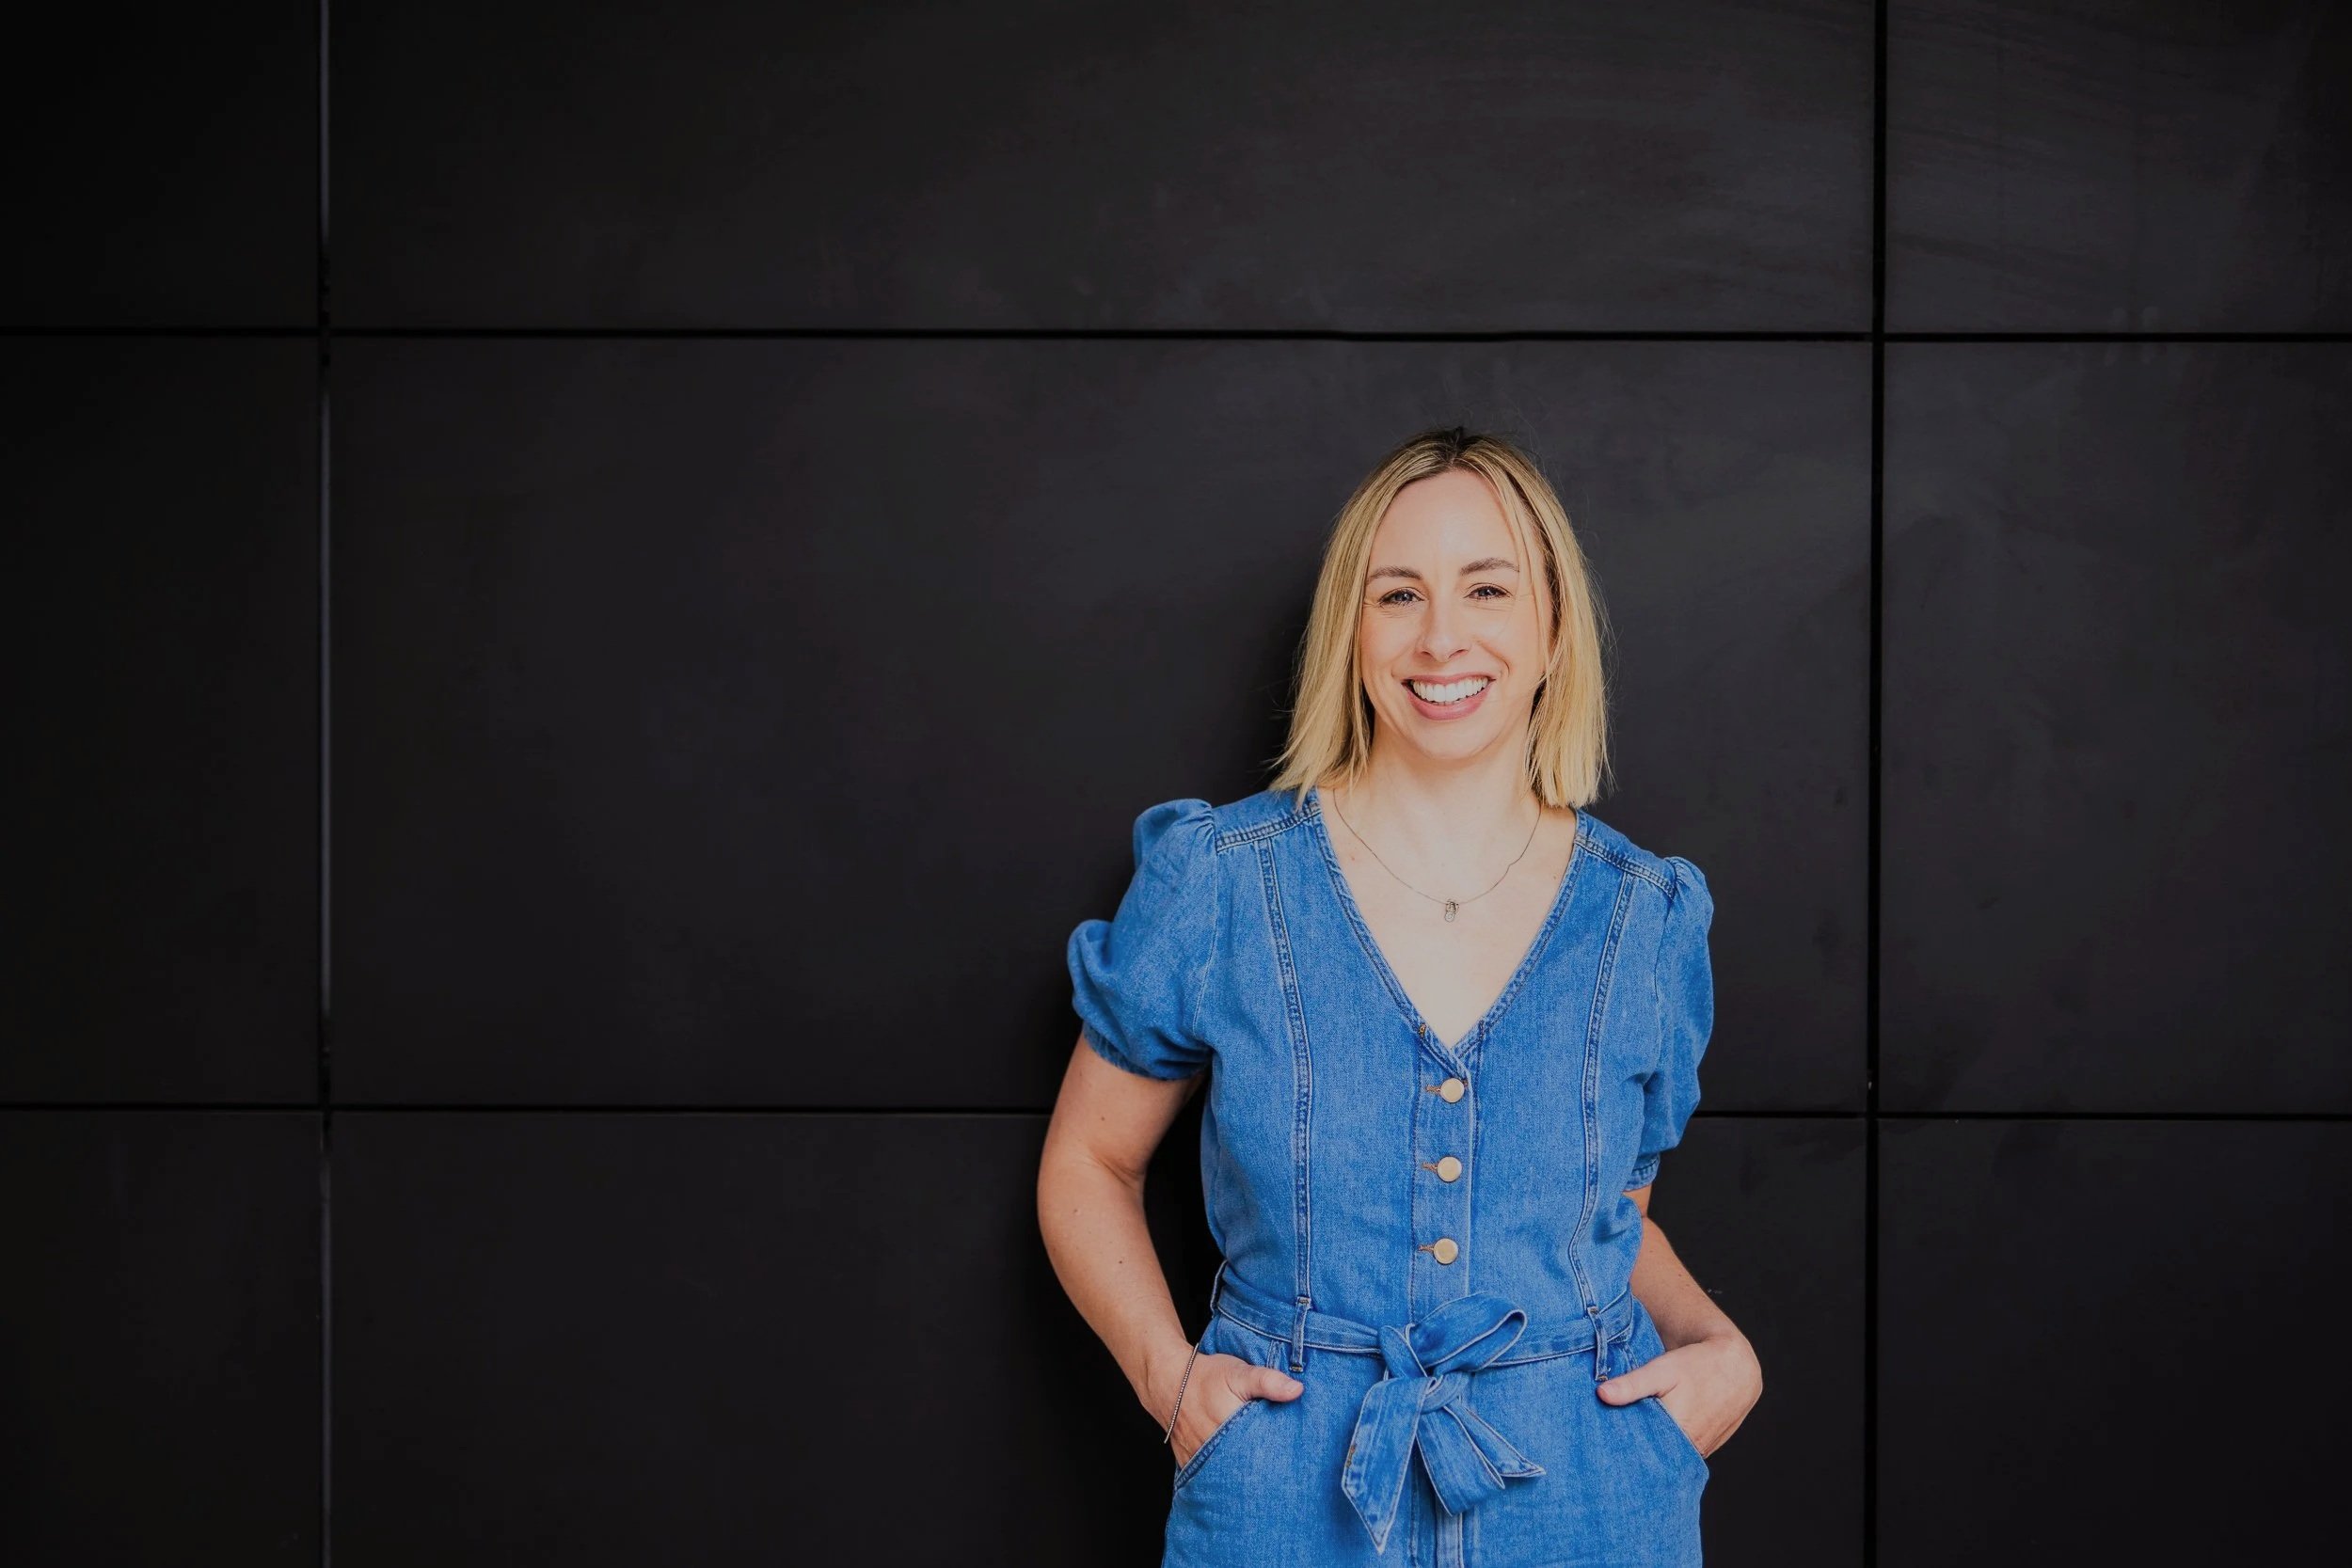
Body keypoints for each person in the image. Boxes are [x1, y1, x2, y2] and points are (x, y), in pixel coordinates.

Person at [1037, 425, 1763, 1567]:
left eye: (1486, 587)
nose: (1441, 637)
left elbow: (1617, 1212)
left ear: (1552, 626)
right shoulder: (1222, 881)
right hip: (1283, 1500)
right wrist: (1169, 1382)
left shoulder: (1647, 919)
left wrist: (1721, 1344)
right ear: (1351, 631)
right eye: (1397, 595)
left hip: (1588, 1497)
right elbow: (1088, 1161)